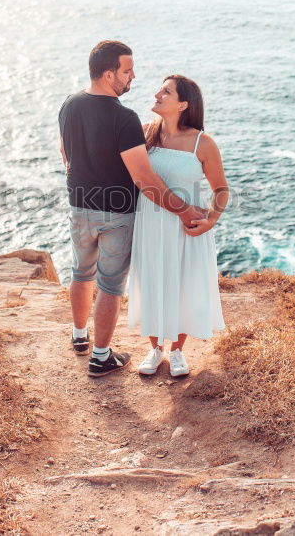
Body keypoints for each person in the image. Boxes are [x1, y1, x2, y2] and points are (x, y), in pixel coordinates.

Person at [58, 42, 208, 377]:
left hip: (79, 206)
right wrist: (184, 211)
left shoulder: (69, 105)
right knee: (110, 284)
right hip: (117, 213)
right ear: (109, 74)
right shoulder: (124, 118)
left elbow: (65, 151)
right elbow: (144, 179)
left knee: (81, 272)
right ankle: (100, 356)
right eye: (127, 71)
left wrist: (80, 178)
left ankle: (79, 335)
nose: (133, 77)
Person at [127, 75, 228, 377]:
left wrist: (210, 220)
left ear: (184, 104)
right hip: (149, 224)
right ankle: (155, 348)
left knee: (182, 285)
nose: (157, 93)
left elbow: (221, 189)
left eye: (166, 91)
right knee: (152, 280)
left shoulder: (203, 143)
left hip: (187, 229)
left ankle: (177, 350)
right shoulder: (144, 134)